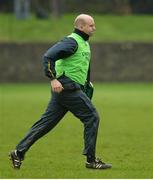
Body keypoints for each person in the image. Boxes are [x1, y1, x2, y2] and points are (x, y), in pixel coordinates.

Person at [9, 14, 112, 170]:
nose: (94, 28)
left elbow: (81, 66)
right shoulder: (71, 42)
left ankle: (19, 152)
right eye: (91, 25)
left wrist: (86, 83)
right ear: (81, 27)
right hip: (66, 87)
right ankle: (91, 161)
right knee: (92, 117)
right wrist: (53, 78)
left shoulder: (83, 43)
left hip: (67, 88)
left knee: (45, 124)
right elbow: (48, 56)